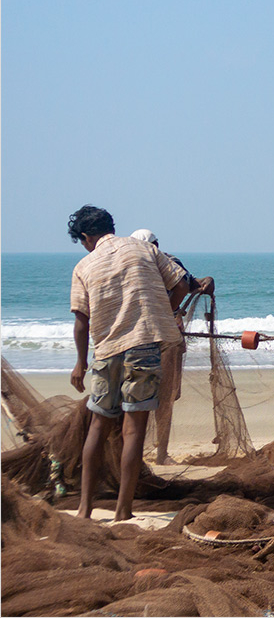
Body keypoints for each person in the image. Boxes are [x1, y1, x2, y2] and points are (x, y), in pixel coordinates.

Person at [67, 205, 190, 520]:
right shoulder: (144, 249)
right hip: (144, 346)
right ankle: (123, 511)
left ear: (85, 237)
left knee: (98, 425)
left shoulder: (84, 265)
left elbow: (81, 321)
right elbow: (181, 283)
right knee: (134, 430)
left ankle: (84, 509)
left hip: (107, 350)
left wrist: (80, 364)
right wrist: (165, 310)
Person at [128, 228, 215, 465]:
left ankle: (149, 452)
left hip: (140, 339)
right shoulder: (168, 262)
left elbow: (191, 284)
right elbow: (188, 284)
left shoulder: (134, 267)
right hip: (163, 339)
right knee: (163, 396)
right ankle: (160, 454)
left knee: (145, 396)